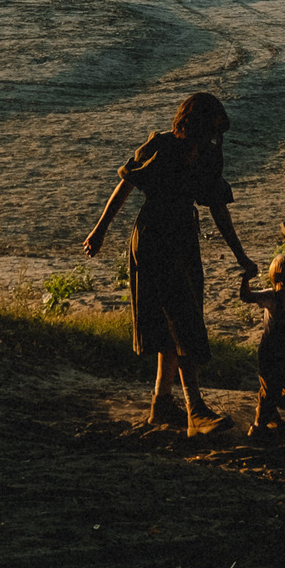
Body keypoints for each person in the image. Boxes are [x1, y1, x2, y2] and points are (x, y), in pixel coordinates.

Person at [85, 92, 256, 437]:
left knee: (174, 321)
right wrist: (99, 230)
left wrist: (241, 256)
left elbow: (217, 207)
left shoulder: (209, 155)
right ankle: (195, 410)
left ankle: (161, 405)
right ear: (197, 123)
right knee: (182, 320)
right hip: (153, 238)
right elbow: (126, 186)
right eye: (213, 130)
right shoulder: (162, 146)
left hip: (183, 239)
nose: (216, 139)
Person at [237, 253, 285, 436]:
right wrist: (245, 279)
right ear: (284, 279)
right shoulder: (272, 297)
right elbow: (247, 297)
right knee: (270, 388)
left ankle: (271, 410)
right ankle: (258, 425)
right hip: (271, 351)